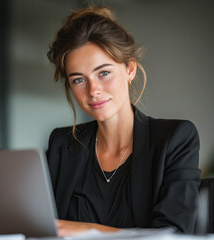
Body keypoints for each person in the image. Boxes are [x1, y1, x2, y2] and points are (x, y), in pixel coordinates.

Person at [46, 5, 201, 237]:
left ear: (129, 69)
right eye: (78, 80)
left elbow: (172, 234)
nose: (93, 90)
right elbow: (41, 227)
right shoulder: (62, 144)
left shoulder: (176, 139)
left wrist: (86, 229)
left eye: (104, 73)